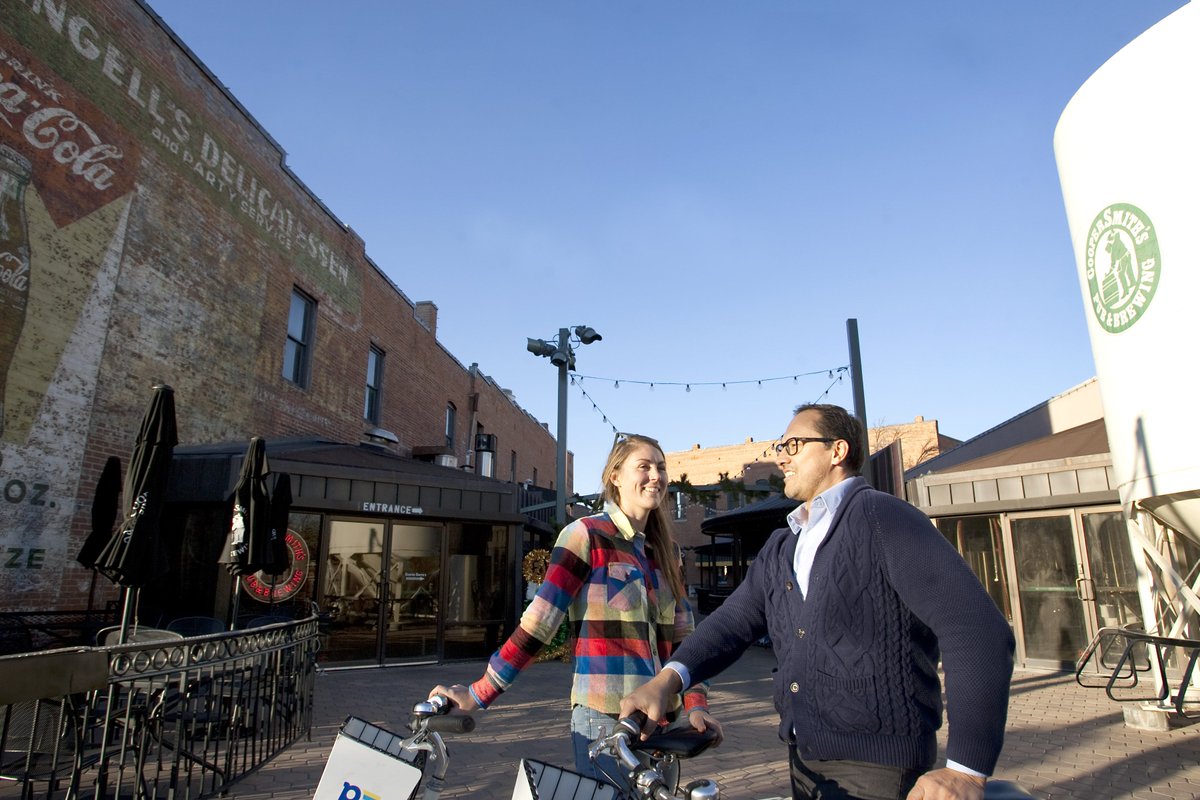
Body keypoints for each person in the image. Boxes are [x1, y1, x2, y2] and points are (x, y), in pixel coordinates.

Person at [621, 404, 1014, 800]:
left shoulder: (882, 517)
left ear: (837, 451)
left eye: (794, 443)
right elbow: (731, 624)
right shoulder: (782, 546)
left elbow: (976, 628)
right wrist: (665, 681)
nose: (781, 456)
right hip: (806, 765)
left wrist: (966, 771)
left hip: (878, 770)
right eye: (781, 445)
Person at [431, 433, 722, 787]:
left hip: (661, 726)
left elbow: (685, 641)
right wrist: (478, 694)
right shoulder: (585, 535)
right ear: (615, 476)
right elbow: (538, 627)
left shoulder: (667, 552)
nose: (656, 476)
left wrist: (696, 705)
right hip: (605, 720)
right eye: (643, 466)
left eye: (661, 467)